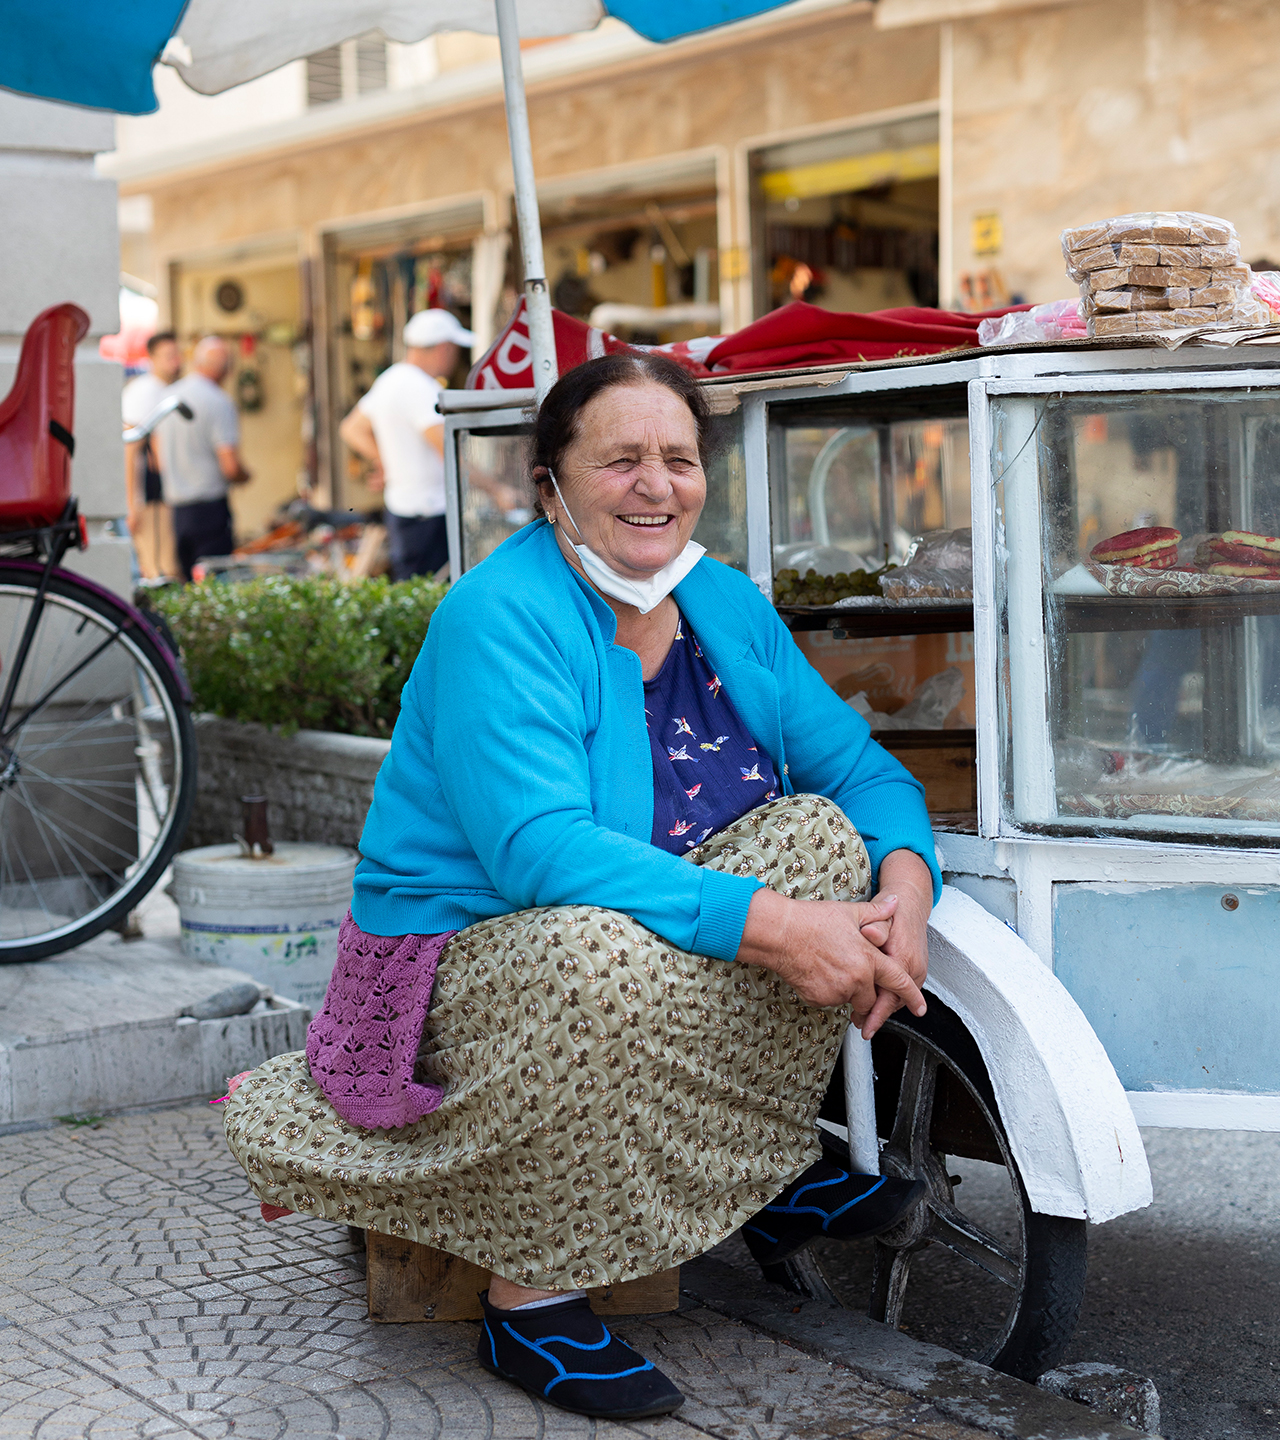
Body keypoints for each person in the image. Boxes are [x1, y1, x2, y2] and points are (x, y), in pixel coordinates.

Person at [223, 353, 939, 1422]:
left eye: (677, 459)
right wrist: (778, 928)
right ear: (548, 480)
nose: (655, 484)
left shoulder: (724, 605)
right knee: (590, 948)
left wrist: (904, 893)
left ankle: (761, 1175)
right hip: (479, 962)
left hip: (650, 941)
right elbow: (540, 854)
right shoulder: (498, 614)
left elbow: (860, 772)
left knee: (820, 839)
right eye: (620, 460)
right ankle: (531, 1299)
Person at [339, 308, 474, 581]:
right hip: (429, 513)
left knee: (413, 595)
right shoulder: (420, 388)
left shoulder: (391, 379)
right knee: (433, 601)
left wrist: (387, 461)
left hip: (403, 511)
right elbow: (449, 452)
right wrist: (498, 490)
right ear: (444, 348)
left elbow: (351, 429)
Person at [156, 335, 251, 581]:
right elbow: (230, 466)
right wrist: (245, 475)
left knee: (189, 589)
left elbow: (158, 459)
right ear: (225, 368)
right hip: (209, 510)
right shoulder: (219, 402)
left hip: (177, 511)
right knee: (215, 587)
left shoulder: (169, 397)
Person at [121, 330, 181, 579]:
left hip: (168, 494)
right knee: (158, 568)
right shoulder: (143, 391)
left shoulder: (169, 389)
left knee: (170, 566)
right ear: (153, 357)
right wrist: (131, 504)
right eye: (168, 355)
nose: (175, 361)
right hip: (150, 497)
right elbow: (130, 448)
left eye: (177, 354)